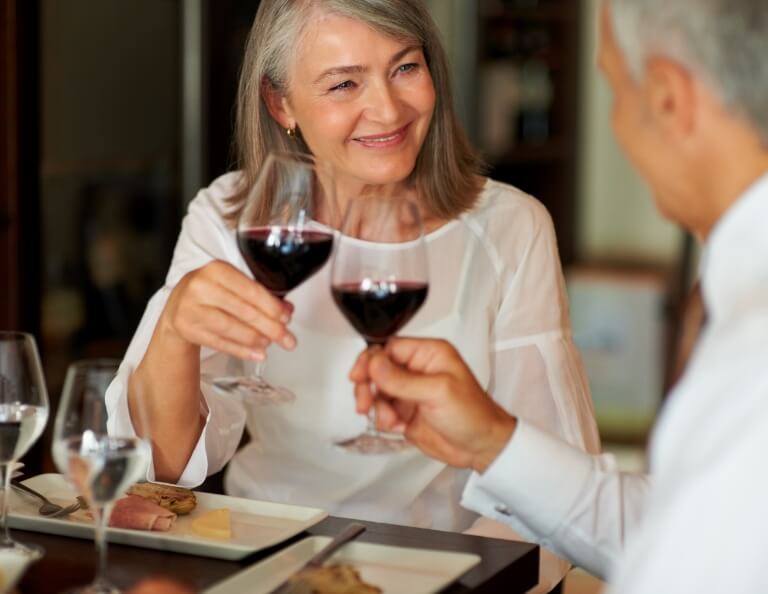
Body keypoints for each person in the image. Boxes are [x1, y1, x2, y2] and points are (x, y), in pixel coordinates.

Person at [107, 1, 598, 590]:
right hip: (269, 565)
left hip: (443, 571)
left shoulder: (510, 227)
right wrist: (173, 333)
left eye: (405, 68)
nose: (388, 109)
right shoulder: (228, 216)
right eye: (344, 83)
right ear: (280, 103)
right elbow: (155, 474)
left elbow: (552, 494)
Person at [350, 0, 768, 592]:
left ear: (670, 99)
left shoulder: (755, 342)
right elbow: (676, 530)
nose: (617, 125)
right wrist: (494, 441)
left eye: (617, 90)